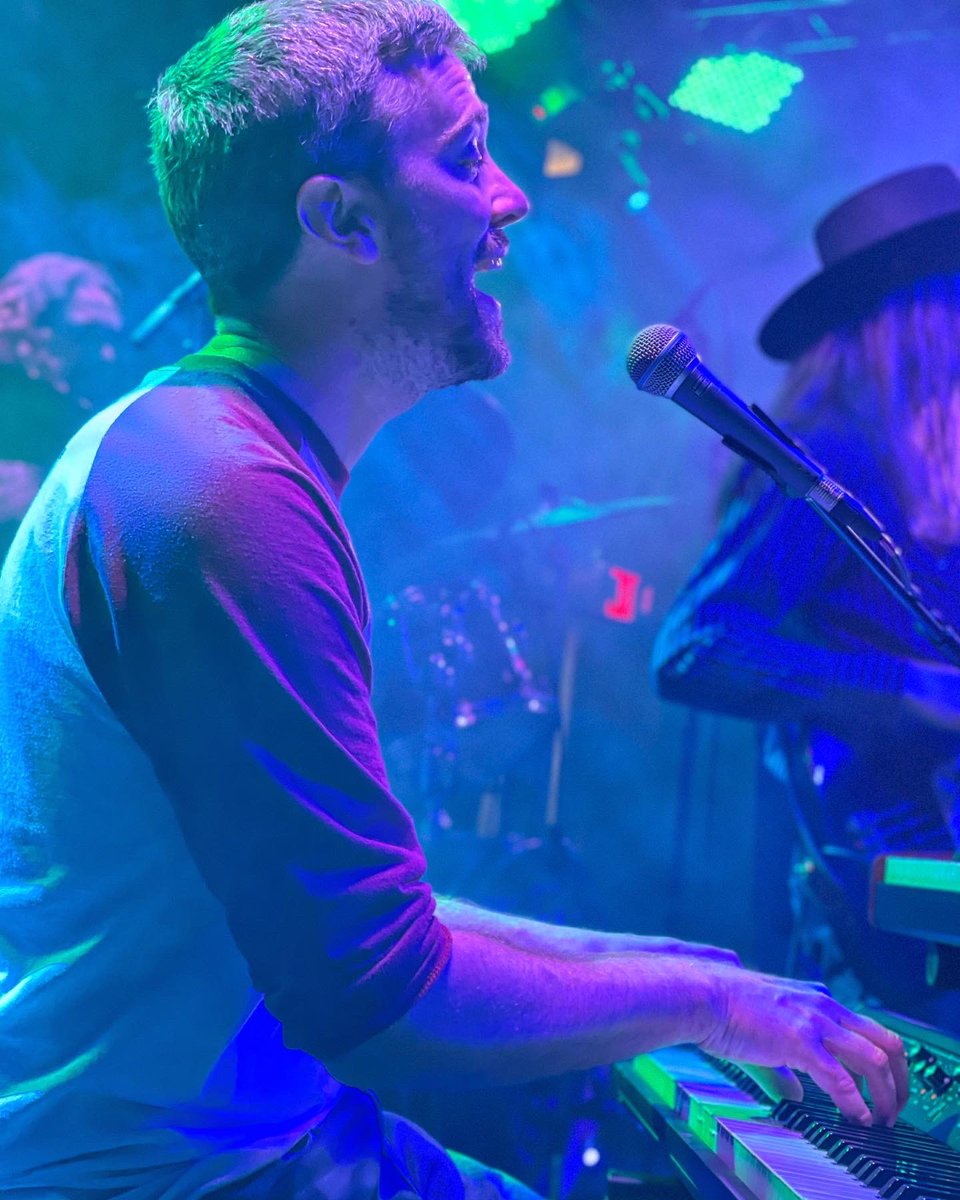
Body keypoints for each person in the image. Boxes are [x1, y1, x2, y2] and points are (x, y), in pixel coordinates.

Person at [0, 4, 907, 1197]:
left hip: (253, 1134)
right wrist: (709, 1004)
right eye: (468, 156)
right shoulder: (219, 490)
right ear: (342, 218)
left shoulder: (214, 453)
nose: (512, 200)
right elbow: (383, 997)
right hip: (179, 1171)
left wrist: (681, 974)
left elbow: (367, 914)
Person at [653, 164, 960, 1017]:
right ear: (929, 313)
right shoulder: (835, 458)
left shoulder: (938, 467)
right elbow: (695, 646)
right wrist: (911, 689)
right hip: (892, 888)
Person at [0, 252, 123, 555]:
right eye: (87, 334)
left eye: (110, 338)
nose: (106, 354)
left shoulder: (86, 421)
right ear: (28, 329)